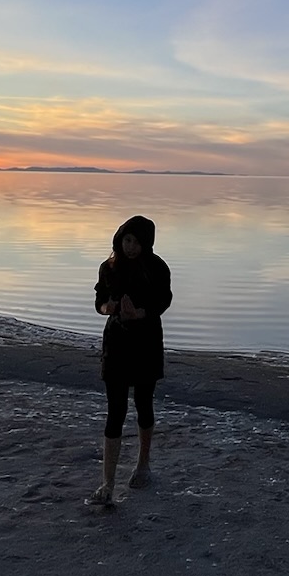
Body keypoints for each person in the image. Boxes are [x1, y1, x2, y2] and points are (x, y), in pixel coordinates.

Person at [89, 214, 171, 505]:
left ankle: (143, 464)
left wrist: (140, 313)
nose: (131, 247)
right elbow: (99, 299)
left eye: (136, 242)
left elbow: (163, 300)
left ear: (146, 243)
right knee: (115, 410)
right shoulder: (109, 267)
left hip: (146, 342)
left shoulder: (157, 267)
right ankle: (107, 483)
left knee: (144, 403)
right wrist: (107, 307)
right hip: (117, 343)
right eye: (127, 240)